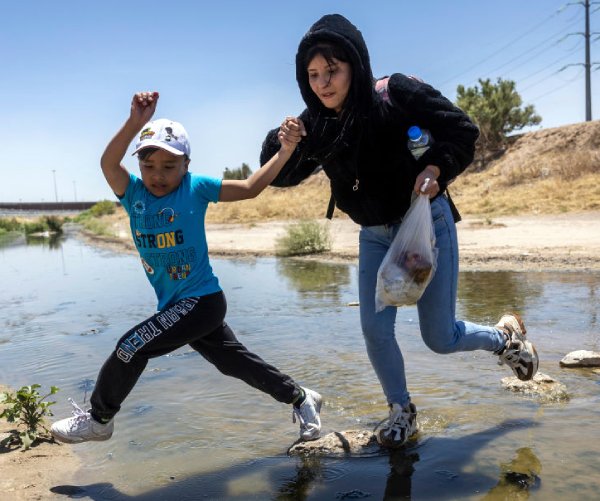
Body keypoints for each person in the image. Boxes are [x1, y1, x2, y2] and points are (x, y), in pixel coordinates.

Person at [260, 14, 539, 448]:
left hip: (425, 226)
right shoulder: (316, 123)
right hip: (373, 235)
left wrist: (437, 168)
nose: (323, 84)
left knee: (439, 338)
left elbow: (463, 130)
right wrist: (284, 143)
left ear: (354, 64)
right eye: (312, 75)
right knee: (375, 330)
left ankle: (504, 339)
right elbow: (279, 174)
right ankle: (401, 411)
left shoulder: (396, 94)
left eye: (332, 70)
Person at [51, 91, 322, 444]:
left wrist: (285, 150)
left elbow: (250, 187)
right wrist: (135, 122)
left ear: (186, 165)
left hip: (202, 301)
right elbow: (108, 163)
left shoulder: (195, 188)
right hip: (177, 305)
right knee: (234, 363)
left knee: (130, 347)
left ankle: (99, 419)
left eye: (169, 166)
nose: (158, 175)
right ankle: (301, 397)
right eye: (149, 166)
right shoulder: (134, 195)